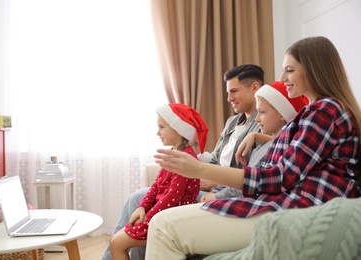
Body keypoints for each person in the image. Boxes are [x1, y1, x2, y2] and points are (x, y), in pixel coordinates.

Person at [148, 36, 361, 259]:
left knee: (163, 226)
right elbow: (305, 153)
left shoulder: (325, 110)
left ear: (315, 70)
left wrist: (199, 170)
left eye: (289, 70)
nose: (281, 78)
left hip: (296, 207)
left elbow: (282, 176)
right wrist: (258, 137)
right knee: (164, 221)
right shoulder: (319, 112)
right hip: (286, 201)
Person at [102, 64, 264, 259]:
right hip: (206, 188)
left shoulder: (262, 126)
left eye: (234, 91)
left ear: (254, 88)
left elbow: (255, 176)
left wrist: (215, 184)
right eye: (228, 92)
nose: (229, 98)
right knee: (138, 199)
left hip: (221, 194)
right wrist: (199, 169)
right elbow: (214, 160)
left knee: (141, 201)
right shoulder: (232, 122)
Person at [109, 103, 208, 260]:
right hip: (159, 215)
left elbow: (173, 197)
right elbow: (156, 186)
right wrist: (142, 207)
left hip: (169, 219)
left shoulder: (184, 158)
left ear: (178, 129)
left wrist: (148, 216)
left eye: (161, 127)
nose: (157, 132)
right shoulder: (173, 153)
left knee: (117, 243)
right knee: (116, 240)